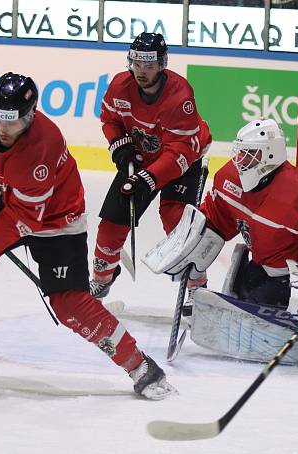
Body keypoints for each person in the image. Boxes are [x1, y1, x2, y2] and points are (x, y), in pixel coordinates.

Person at [0, 72, 174, 400]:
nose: (1, 129)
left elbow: (23, 217)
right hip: (5, 201)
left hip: (55, 220)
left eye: (11, 122)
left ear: (30, 116)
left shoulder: (42, 145)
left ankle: (140, 365)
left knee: (70, 305)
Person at [159, 119, 298, 370]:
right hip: (256, 271)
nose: (240, 161)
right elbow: (217, 219)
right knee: (250, 300)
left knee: (278, 311)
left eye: (249, 155)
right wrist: (192, 243)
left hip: (291, 281)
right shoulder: (229, 177)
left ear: (270, 155)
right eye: (240, 153)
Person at [90, 32, 211, 300]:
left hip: (184, 160)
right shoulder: (120, 86)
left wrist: (148, 178)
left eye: (149, 65)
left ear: (161, 65)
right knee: (112, 220)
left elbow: (180, 151)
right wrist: (119, 145)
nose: (141, 71)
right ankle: (102, 276)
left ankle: (196, 287)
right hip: (141, 156)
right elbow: (109, 119)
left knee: (177, 221)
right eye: (137, 63)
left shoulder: (180, 97)